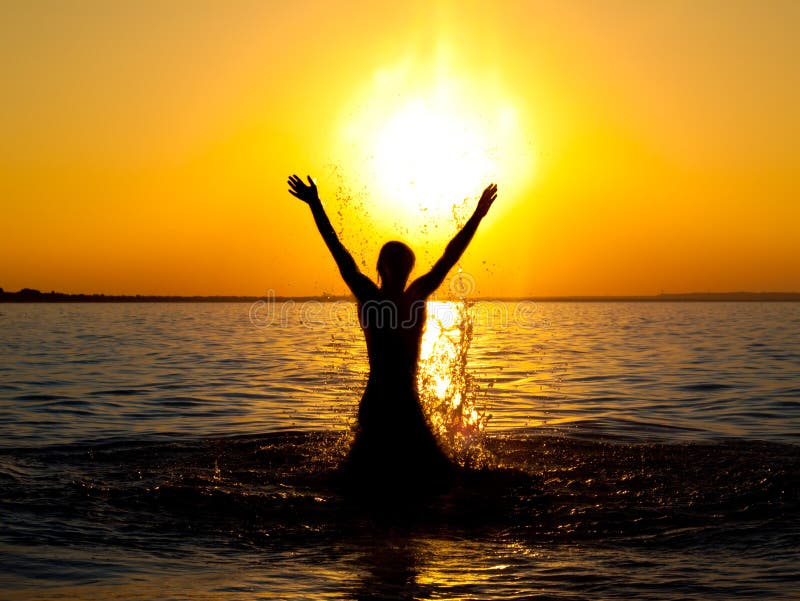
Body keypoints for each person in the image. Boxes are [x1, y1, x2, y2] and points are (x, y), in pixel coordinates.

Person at [288, 174, 497, 490]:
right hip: (391, 400)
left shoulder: (394, 296)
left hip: (392, 401)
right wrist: (316, 205)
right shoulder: (393, 296)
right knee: (422, 479)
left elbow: (448, 257)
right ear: (386, 267)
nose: (402, 269)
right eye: (397, 263)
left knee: (379, 479)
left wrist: (478, 216)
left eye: (404, 264)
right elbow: (339, 251)